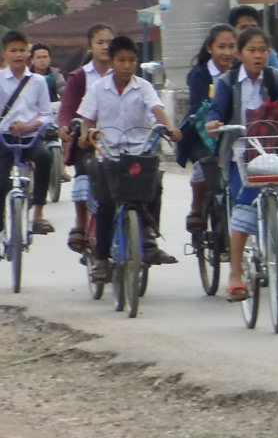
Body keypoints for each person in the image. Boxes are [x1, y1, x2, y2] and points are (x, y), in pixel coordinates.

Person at [206, 26, 278, 302]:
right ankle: (235, 274)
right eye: (251, 50)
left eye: (263, 50)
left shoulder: (276, 78)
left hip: (273, 152)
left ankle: (274, 227)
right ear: (240, 54)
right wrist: (214, 122)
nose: (258, 55)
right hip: (240, 154)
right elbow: (217, 108)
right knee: (244, 205)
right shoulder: (228, 82)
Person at [77, 34, 177, 277]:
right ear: (112, 62)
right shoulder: (98, 88)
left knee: (155, 185)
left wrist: (170, 128)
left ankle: (149, 240)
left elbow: (157, 109)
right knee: (106, 203)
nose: (127, 65)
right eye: (121, 60)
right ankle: (101, 259)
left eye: (131, 60)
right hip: (108, 155)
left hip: (138, 153)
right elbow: (87, 119)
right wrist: (85, 134)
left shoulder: (144, 87)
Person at [58, 24, 115, 252]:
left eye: (109, 42)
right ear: (90, 46)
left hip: (119, 140)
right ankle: (81, 222)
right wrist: (65, 126)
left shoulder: (122, 73)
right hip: (88, 141)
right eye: (100, 42)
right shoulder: (79, 77)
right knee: (84, 172)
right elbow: (67, 108)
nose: (105, 47)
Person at [179, 23, 239, 233]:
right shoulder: (199, 74)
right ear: (209, 48)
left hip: (233, 130)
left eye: (231, 46)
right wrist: (214, 121)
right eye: (221, 47)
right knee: (203, 165)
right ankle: (196, 207)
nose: (227, 52)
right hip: (202, 132)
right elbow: (200, 106)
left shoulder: (240, 71)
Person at [1, 30, 58, 235]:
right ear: (5, 53)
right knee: (1, 180)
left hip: (31, 137)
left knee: (44, 158)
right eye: (13, 50)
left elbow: (47, 115)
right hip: (4, 138)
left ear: (28, 53)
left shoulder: (38, 81)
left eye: (21, 50)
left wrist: (28, 126)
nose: (18, 55)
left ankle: (38, 215)